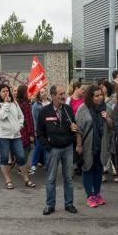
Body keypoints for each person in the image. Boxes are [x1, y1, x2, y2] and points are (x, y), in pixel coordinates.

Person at [37, 85, 80, 215]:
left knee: (68, 179)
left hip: (67, 149)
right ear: (53, 96)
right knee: (51, 179)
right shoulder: (44, 111)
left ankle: (69, 204)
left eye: (64, 94)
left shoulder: (68, 109)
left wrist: (74, 130)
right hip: (53, 150)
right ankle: (50, 205)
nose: (63, 96)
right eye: (60, 94)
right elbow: (40, 132)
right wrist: (48, 147)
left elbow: (74, 127)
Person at [76, 85, 114, 207]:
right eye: (96, 96)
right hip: (87, 145)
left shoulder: (107, 108)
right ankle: (90, 196)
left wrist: (107, 118)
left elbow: (112, 126)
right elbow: (78, 129)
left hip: (101, 145)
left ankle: (97, 194)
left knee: (98, 169)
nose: (100, 98)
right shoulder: (83, 109)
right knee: (88, 169)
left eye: (101, 95)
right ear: (90, 97)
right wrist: (79, 145)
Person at [0, 83, 35, 190]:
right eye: (3, 91)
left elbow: (21, 116)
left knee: (21, 156)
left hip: (16, 135)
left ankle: (26, 179)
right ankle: (8, 180)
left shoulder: (14, 103)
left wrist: (19, 125)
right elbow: (1, 116)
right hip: (3, 136)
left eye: (7, 91)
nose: (6, 93)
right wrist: (6, 104)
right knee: (4, 158)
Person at [14, 85, 36, 171]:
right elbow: (28, 120)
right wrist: (31, 134)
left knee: (22, 148)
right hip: (25, 131)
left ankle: (20, 166)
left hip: (19, 130)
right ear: (24, 93)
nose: (28, 93)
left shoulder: (17, 103)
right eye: (27, 91)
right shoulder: (25, 104)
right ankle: (22, 167)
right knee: (27, 148)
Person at [30, 89, 50, 174]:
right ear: (39, 95)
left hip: (48, 130)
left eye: (45, 91)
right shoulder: (36, 105)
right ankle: (33, 164)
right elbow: (34, 119)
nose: (44, 93)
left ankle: (47, 165)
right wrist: (35, 131)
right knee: (38, 147)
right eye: (42, 92)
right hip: (39, 130)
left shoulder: (50, 103)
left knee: (46, 148)